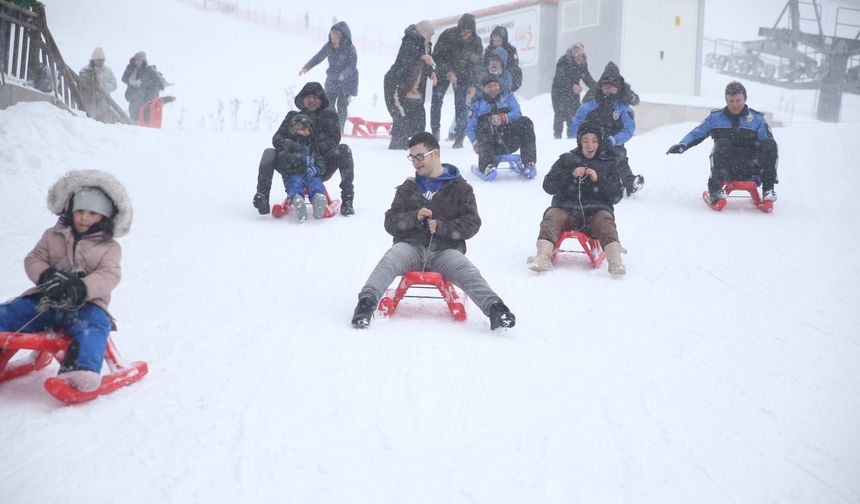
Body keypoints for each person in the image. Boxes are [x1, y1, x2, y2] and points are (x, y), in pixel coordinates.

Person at [350, 132, 516, 331]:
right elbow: (390, 221)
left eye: (419, 156)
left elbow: (472, 223)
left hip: (445, 251)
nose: (415, 162)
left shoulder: (460, 188)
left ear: (435, 154)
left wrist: (442, 227)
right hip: (410, 247)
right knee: (390, 260)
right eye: (412, 157)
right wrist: (414, 217)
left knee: (467, 271)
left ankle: (497, 309)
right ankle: (365, 305)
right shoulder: (407, 187)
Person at [0, 169, 132, 392]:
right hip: (45, 300)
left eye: (92, 213)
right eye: (80, 210)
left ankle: (80, 369)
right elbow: (34, 258)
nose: (84, 217)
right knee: (11, 312)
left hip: (85, 305)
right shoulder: (53, 235)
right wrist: (45, 275)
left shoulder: (109, 247)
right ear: (69, 209)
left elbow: (109, 274)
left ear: (105, 217)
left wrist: (82, 288)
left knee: (94, 325)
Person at [527, 122, 627, 275]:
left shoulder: (609, 163)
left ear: (599, 142)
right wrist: (570, 174)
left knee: (605, 220)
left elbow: (616, 196)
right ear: (580, 142)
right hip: (566, 209)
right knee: (552, 217)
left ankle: (615, 262)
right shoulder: (567, 159)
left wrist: (597, 178)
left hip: (596, 211)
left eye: (594, 141)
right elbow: (548, 186)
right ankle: (542, 256)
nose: (589, 145)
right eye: (585, 140)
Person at [667, 81, 779, 206]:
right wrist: (683, 145)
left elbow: (768, 144)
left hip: (752, 167)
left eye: (738, 100)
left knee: (770, 144)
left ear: (745, 99)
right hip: (726, 168)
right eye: (731, 101)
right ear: (726, 100)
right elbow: (697, 133)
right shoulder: (716, 118)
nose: (735, 105)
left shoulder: (757, 119)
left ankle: (768, 190)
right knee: (722, 143)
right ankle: (716, 191)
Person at [252, 82, 356, 216]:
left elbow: (334, 140)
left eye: (315, 97)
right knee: (269, 152)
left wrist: (311, 147)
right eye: (308, 97)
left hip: (319, 166)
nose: (312, 100)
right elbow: (277, 138)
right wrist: (294, 147)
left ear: (321, 100)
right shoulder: (292, 117)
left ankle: (347, 199)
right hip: (292, 165)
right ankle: (262, 196)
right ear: (302, 98)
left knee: (344, 150)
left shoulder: (329, 116)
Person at [571, 62, 644, 196]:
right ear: (600, 87)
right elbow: (577, 123)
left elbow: (629, 129)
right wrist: (584, 138)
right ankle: (576, 182)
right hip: (591, 139)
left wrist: (615, 140)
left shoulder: (622, 107)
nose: (609, 91)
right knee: (578, 157)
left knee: (619, 157)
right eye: (606, 87)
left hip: (613, 141)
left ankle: (629, 182)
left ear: (618, 88)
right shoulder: (590, 104)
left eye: (613, 88)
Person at [465, 73, 536, 176]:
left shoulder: (507, 96)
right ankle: (488, 165)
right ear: (483, 88)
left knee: (525, 122)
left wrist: (505, 118)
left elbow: (517, 112)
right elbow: (470, 127)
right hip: (489, 145)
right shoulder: (477, 103)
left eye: (495, 85)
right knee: (483, 125)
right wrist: (475, 142)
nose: (493, 88)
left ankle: (529, 163)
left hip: (510, 140)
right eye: (489, 86)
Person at [429, 13, 482, 148]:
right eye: (463, 29)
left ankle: (459, 136)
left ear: (473, 30)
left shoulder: (476, 41)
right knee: (437, 100)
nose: (465, 33)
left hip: (463, 75)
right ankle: (435, 131)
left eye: (468, 30)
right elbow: (436, 55)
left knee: (461, 104)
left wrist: (474, 84)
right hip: (444, 71)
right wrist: (448, 71)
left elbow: (477, 65)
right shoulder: (448, 34)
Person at [383, 20, 437, 150]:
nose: (432, 34)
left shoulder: (427, 44)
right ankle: (397, 146)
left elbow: (427, 63)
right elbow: (405, 62)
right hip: (397, 86)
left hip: (414, 89)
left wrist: (432, 73)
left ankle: (417, 146)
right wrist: (421, 58)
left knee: (419, 120)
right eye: (431, 32)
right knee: (401, 118)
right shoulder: (410, 40)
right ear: (424, 30)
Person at [299, 21, 359, 133]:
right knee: (328, 105)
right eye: (332, 36)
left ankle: (339, 130)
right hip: (332, 79)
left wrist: (344, 74)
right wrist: (306, 67)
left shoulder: (350, 49)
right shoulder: (329, 46)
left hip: (348, 81)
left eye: (336, 37)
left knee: (342, 105)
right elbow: (318, 57)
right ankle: (331, 127)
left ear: (343, 37)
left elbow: (352, 66)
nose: (334, 39)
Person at [279, 114, 328, 222]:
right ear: (293, 130)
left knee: (316, 183)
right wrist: (299, 158)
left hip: (311, 174)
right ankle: (297, 199)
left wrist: (317, 169)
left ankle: (318, 199)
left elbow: (321, 160)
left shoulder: (313, 146)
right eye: (300, 129)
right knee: (294, 183)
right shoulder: (289, 144)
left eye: (305, 129)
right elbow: (282, 160)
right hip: (294, 173)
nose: (303, 132)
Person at [551, 42, 596, 139]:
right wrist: (572, 86)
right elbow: (560, 78)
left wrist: (598, 88)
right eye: (578, 56)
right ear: (573, 55)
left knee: (574, 115)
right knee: (560, 114)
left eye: (582, 56)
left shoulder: (583, 64)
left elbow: (587, 78)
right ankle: (556, 138)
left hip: (573, 94)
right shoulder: (563, 61)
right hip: (559, 92)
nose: (580, 58)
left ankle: (572, 137)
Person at [120, 51, 166, 122]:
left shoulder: (149, 71)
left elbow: (156, 84)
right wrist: (132, 82)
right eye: (136, 60)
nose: (137, 62)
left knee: (144, 121)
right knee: (133, 119)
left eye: (139, 60)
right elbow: (124, 78)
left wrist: (149, 99)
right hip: (133, 99)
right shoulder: (131, 68)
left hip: (146, 101)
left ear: (143, 61)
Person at [78, 47, 118, 124]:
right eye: (98, 59)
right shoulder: (85, 71)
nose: (100, 62)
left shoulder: (108, 71)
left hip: (104, 105)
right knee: (91, 126)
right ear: (93, 59)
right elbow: (81, 86)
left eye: (101, 60)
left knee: (106, 127)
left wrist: (104, 86)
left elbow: (114, 85)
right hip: (90, 104)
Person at [482, 26, 522, 92]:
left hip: (506, 84)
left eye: (498, 40)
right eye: (494, 41)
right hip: (490, 85)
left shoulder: (511, 50)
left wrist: (509, 86)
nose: (496, 43)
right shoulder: (488, 51)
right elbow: (484, 68)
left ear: (504, 40)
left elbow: (514, 69)